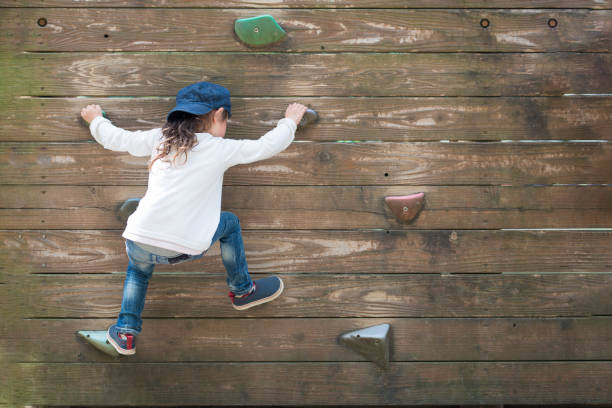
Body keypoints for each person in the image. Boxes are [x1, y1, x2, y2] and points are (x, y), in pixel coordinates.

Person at [80, 82, 307, 356]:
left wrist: (95, 120)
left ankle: (126, 332)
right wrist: (290, 121)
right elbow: (265, 146)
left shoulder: (160, 139)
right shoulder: (219, 148)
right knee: (230, 223)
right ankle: (243, 290)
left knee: (138, 272)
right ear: (218, 114)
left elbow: (117, 139)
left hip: (140, 239)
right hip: (185, 246)